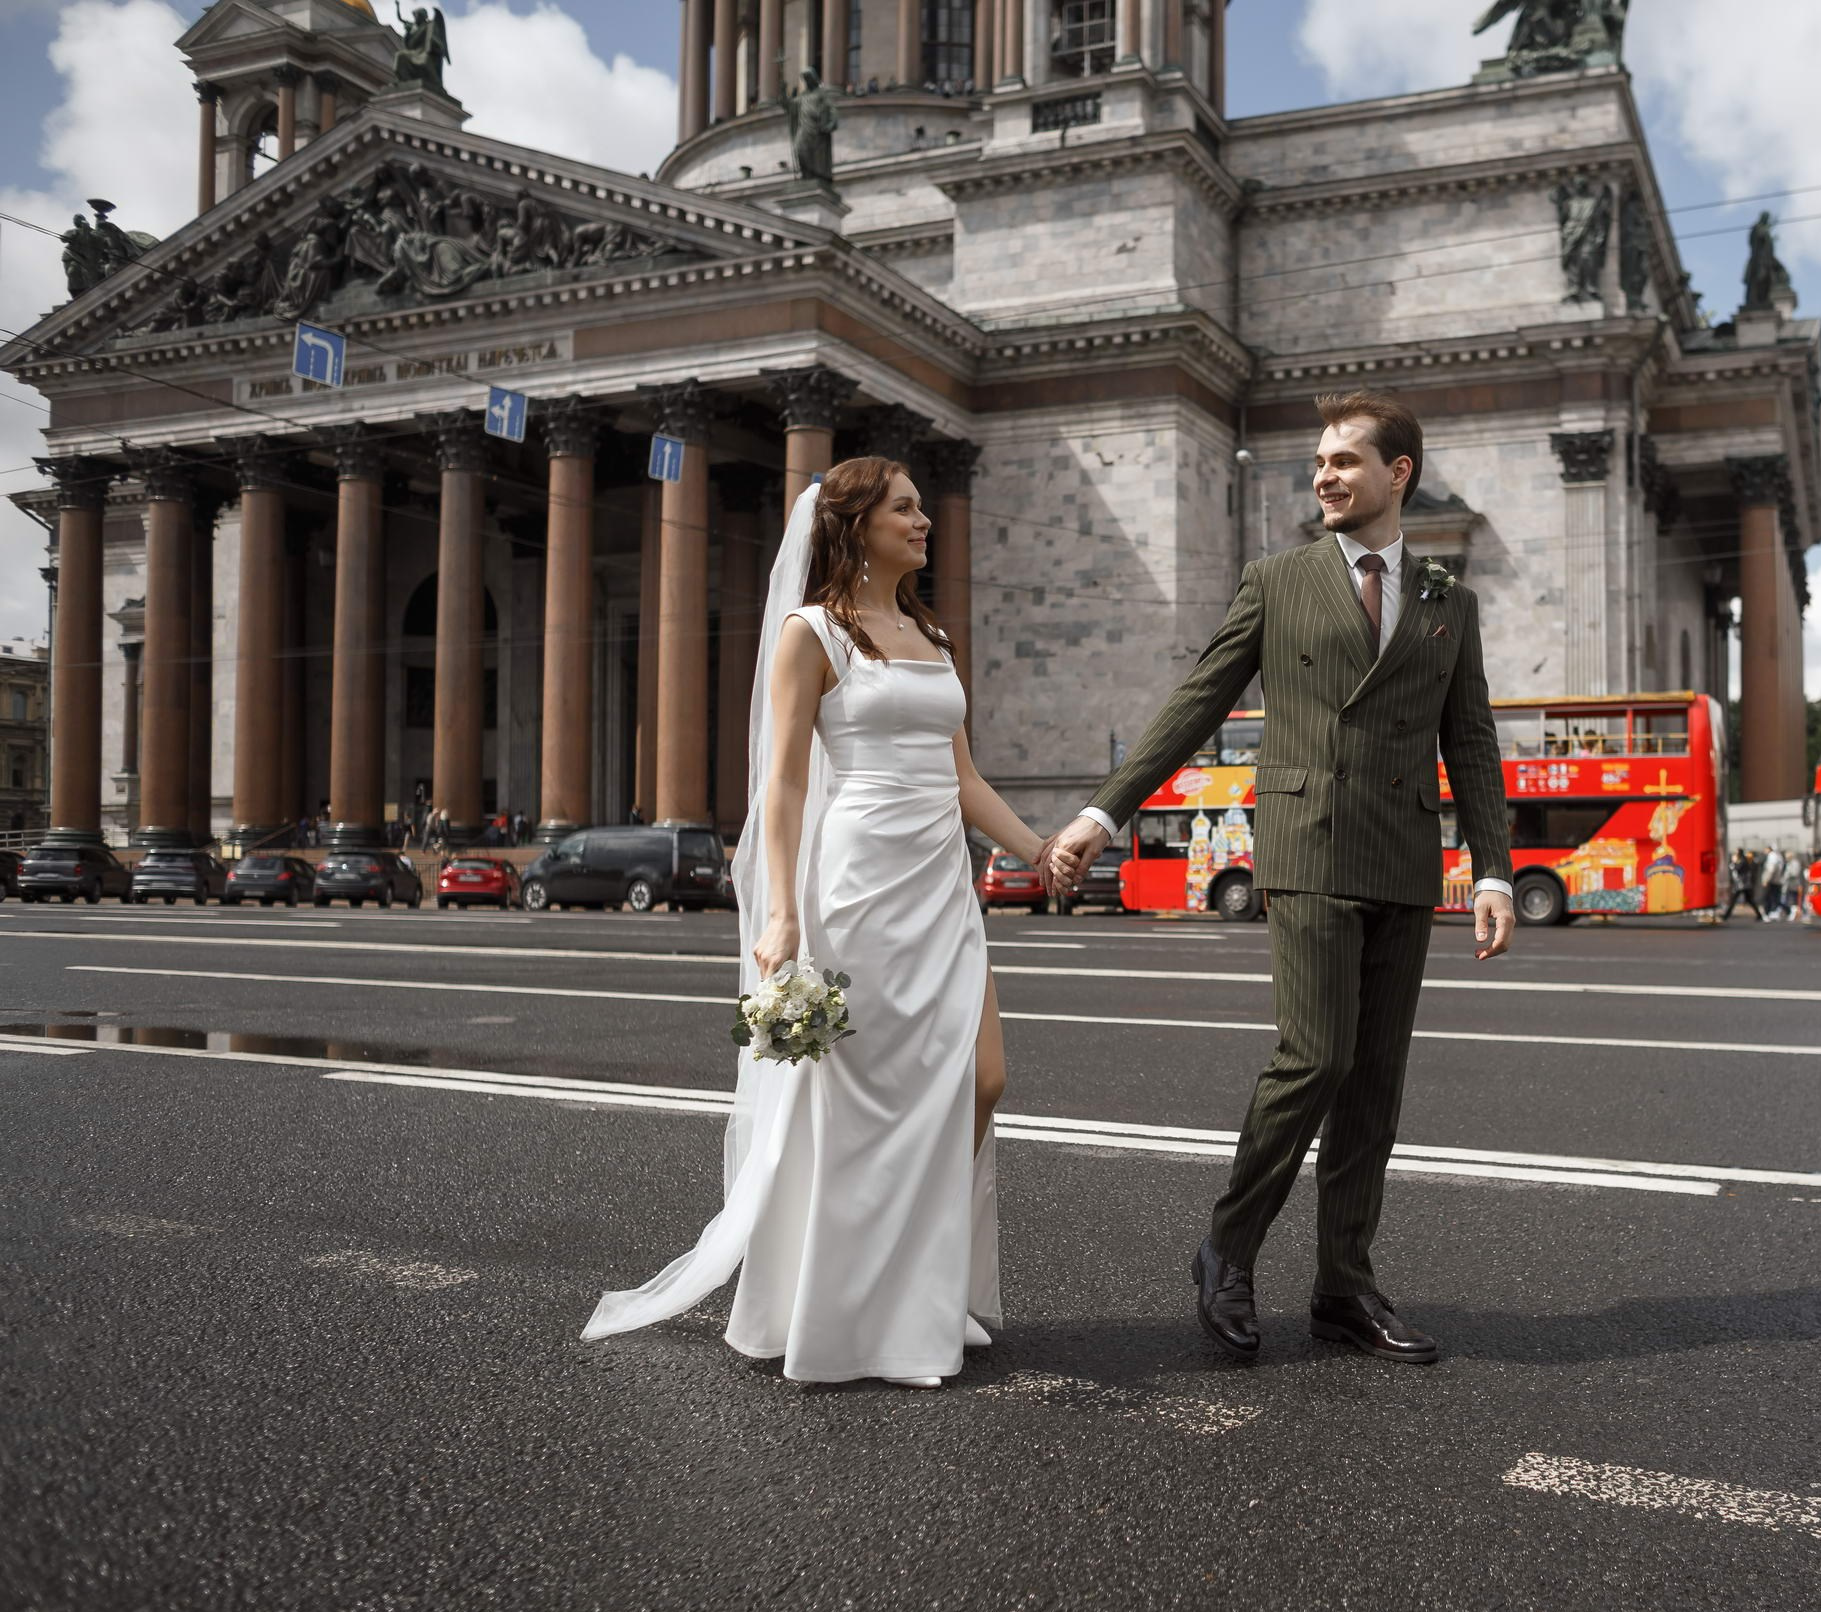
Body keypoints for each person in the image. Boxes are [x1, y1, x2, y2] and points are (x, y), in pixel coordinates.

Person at [1044, 389, 1516, 1367]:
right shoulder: (1280, 579)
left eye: (1346, 459)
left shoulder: (1445, 601)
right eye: (1318, 462)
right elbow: (1194, 701)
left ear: (1399, 473)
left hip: (1403, 855)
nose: (1324, 475)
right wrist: (1104, 811)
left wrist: (1494, 868)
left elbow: (1468, 742)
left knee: (1375, 1080)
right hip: (1309, 840)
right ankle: (1230, 1243)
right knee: (1316, 1055)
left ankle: (1344, 1286)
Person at [586, 456, 1048, 1388]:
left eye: (923, 507)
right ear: (855, 524)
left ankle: (916, 1280)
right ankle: (859, 1311)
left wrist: (1040, 850)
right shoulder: (813, 634)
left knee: (982, 1080)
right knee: (858, 1110)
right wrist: (783, 910)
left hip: (940, 886)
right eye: (907, 509)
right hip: (858, 888)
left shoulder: (931, 631)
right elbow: (785, 782)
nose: (926, 522)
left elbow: (962, 778)